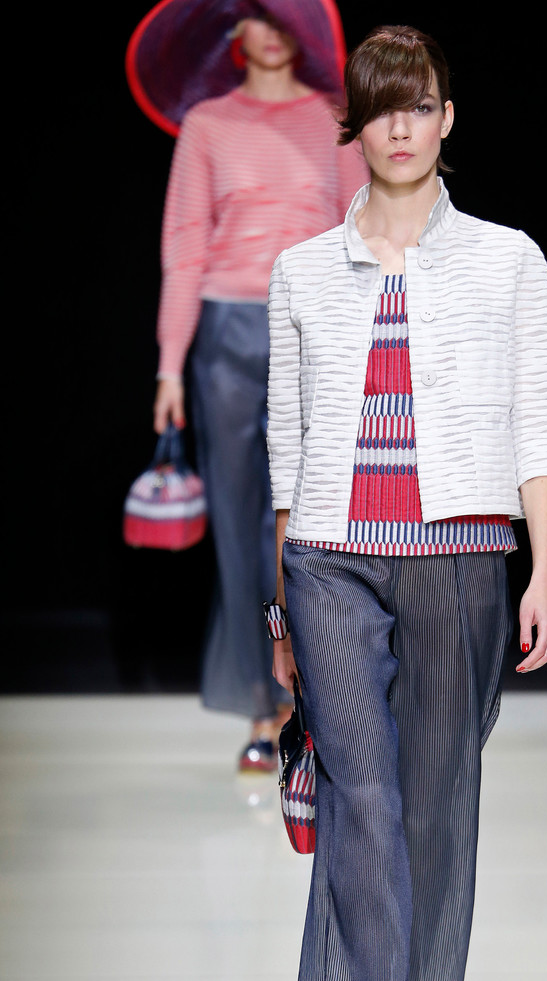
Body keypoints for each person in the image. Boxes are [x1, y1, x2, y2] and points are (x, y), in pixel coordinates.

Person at [266, 25, 547, 981]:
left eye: (419, 104)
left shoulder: (507, 260)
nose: (399, 126)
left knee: (434, 799)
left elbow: (537, 416)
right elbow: (286, 444)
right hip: (330, 560)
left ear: (445, 119)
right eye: (380, 106)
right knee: (362, 797)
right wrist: (281, 610)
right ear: (354, 125)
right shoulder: (301, 270)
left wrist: (542, 570)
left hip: (459, 555)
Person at [126, 0, 368, 771]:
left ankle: (309, 698)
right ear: (234, 31)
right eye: (255, 14)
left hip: (314, 332)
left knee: (304, 528)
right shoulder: (207, 126)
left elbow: (359, 235)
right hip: (225, 335)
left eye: (281, 14)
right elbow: (184, 247)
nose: (269, 30)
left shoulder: (334, 120)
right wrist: (170, 363)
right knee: (236, 527)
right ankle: (262, 709)